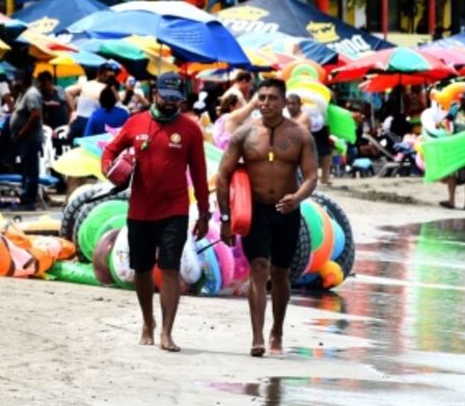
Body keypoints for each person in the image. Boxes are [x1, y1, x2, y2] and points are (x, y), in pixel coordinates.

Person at [101, 72, 209, 352]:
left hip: (175, 210)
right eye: (166, 97)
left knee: (170, 268)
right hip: (140, 210)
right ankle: (148, 322)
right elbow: (110, 150)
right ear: (154, 94)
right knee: (142, 270)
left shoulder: (190, 129)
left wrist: (205, 214)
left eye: (176, 98)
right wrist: (109, 168)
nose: (171, 103)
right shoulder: (135, 122)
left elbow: (199, 174)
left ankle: (167, 331)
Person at [216, 78, 318, 356]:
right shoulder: (244, 134)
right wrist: (225, 218)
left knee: (281, 274)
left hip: (287, 211)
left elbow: (311, 176)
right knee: (259, 268)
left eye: (272, 98)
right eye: (261, 97)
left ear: (285, 102)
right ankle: (257, 336)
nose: (265, 103)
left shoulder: (300, 135)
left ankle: (278, 331)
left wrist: (297, 197)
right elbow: (223, 175)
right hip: (257, 210)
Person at [9, 70, 44, 210]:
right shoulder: (23, 94)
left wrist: (23, 131)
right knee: (26, 169)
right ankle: (25, 198)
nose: (13, 83)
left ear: (21, 81)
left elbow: (35, 115)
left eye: (16, 80)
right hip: (24, 139)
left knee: (31, 170)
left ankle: (29, 200)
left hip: (30, 138)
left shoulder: (31, 94)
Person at [287, 94, 333, 186]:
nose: (290, 106)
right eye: (288, 104)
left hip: (303, 156)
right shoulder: (290, 118)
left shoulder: (303, 117)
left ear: (300, 104)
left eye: (293, 104)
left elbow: (298, 137)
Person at [66, 63, 115, 141]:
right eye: (106, 76)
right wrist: (73, 111)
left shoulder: (86, 85)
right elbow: (68, 92)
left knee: (75, 146)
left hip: (81, 120)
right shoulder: (106, 88)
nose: (107, 78)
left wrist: (73, 111)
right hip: (92, 122)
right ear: (99, 74)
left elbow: (68, 91)